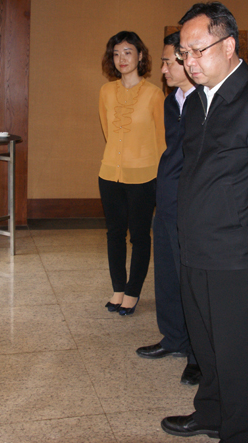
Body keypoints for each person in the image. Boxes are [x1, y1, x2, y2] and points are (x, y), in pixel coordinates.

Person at [161, 2, 248, 443]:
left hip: (237, 256)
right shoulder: (195, 102)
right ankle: (210, 412)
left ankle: (238, 431)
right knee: (205, 344)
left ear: (228, 45)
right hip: (194, 246)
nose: (190, 62)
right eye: (184, 53)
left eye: (198, 50)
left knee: (234, 353)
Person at [135, 32, 201, 386]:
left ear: (187, 60)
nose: (162, 69)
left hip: (192, 206)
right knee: (167, 275)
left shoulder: (206, 101)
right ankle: (174, 337)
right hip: (167, 201)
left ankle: (198, 354)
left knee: (192, 282)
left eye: (167, 62)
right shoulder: (171, 101)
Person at [98, 31, 165, 316]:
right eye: (116, 53)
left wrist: (161, 178)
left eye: (127, 52)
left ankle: (133, 291)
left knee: (139, 235)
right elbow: (108, 132)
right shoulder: (105, 91)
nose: (121, 59)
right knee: (114, 234)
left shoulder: (154, 94)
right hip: (109, 174)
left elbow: (162, 140)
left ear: (140, 56)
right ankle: (118, 288)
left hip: (144, 177)